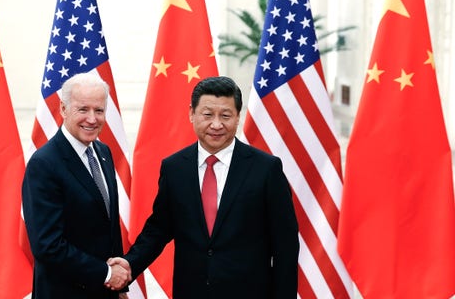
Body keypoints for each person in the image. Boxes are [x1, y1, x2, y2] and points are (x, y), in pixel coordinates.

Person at [111, 76, 299, 298]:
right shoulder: (174, 168)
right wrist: (129, 265)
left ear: (238, 116)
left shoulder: (266, 169)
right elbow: (159, 229)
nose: (217, 124)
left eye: (226, 115)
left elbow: (285, 246)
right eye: (208, 114)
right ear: (192, 113)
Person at [22, 72, 131, 299]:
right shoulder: (44, 164)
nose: (92, 119)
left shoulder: (103, 152)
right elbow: (47, 246)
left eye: (99, 110)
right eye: (83, 110)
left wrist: (120, 287)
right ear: (63, 109)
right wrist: (106, 273)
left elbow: (108, 225)